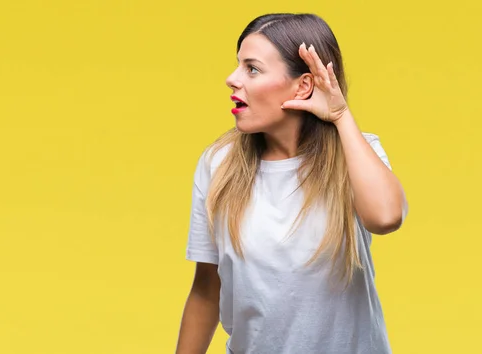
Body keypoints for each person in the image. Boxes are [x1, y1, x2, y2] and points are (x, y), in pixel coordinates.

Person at [175, 13, 409, 354]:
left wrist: (342, 117)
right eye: (237, 65)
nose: (231, 79)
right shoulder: (218, 165)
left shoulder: (356, 153)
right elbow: (207, 290)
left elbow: (387, 217)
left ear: (303, 85)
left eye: (251, 68)